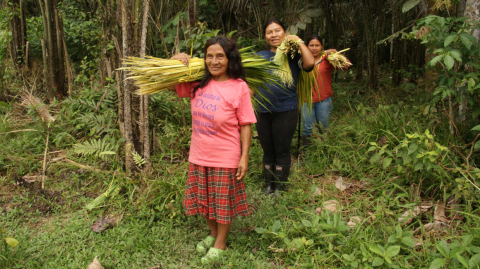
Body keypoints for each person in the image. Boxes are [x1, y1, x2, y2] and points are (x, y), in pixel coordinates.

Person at [170, 37, 256, 263]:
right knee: (205, 200)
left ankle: (221, 243)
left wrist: (244, 157)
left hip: (225, 155)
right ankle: (212, 233)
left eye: (220, 56)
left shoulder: (239, 87)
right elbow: (171, 83)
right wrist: (175, 61)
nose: (214, 61)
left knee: (222, 202)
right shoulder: (197, 82)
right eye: (210, 56)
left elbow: (246, 124)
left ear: (229, 59)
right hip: (199, 153)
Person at [256, 19, 314, 195]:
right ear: (265, 36)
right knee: (267, 149)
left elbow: (310, 64)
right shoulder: (260, 56)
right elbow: (251, 84)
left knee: (282, 148)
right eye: (269, 32)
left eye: (277, 30)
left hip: (286, 110)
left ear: (285, 32)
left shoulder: (294, 55)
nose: (273, 35)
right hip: (262, 110)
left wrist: (298, 41)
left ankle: (280, 187)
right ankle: (269, 185)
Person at [301, 35, 350, 147]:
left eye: (317, 45)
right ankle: (306, 152)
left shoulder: (327, 59)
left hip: (323, 100)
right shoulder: (301, 60)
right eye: (311, 45)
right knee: (307, 128)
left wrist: (336, 54)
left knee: (323, 127)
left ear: (321, 46)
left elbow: (346, 65)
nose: (314, 48)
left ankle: (324, 149)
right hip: (305, 100)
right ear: (306, 47)